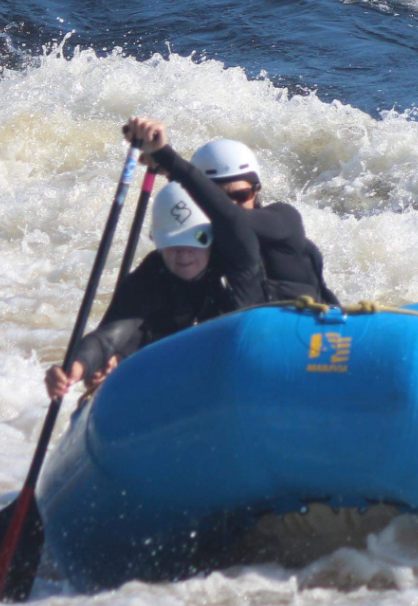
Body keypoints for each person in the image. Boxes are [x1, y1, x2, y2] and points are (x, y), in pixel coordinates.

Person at [45, 118, 267, 398]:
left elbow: (235, 227)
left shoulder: (246, 255)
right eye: (172, 245)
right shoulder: (154, 272)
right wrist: (77, 368)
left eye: (195, 243)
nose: (184, 255)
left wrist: (165, 155)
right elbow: (111, 334)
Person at [190, 139, 340, 306]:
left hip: (303, 323)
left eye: (241, 195)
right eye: (219, 199)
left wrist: (169, 159)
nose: (231, 206)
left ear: (256, 190)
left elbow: (233, 219)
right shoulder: (188, 245)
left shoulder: (284, 220)